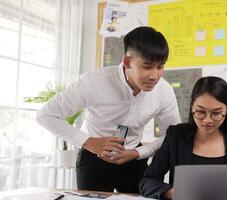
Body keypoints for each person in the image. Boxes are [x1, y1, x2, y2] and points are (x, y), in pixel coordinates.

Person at [37, 26, 181, 193]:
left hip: (134, 159)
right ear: (127, 62)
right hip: (93, 158)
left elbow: (171, 134)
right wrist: (89, 142)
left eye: (160, 67)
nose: (155, 76)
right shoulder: (92, 83)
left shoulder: (164, 91)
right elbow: (46, 115)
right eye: (147, 67)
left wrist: (137, 152)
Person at [139, 76, 227, 200]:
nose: (207, 120)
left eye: (216, 113)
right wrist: (172, 193)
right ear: (192, 106)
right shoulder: (176, 136)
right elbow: (147, 181)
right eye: (200, 112)